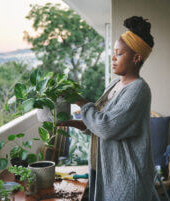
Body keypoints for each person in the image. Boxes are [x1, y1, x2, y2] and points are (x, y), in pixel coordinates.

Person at [59, 16, 155, 201]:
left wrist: (80, 102)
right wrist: (75, 124)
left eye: (119, 54)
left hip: (127, 179)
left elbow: (107, 127)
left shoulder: (138, 90)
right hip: (107, 172)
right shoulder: (114, 84)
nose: (113, 57)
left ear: (136, 58)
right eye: (114, 52)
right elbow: (101, 124)